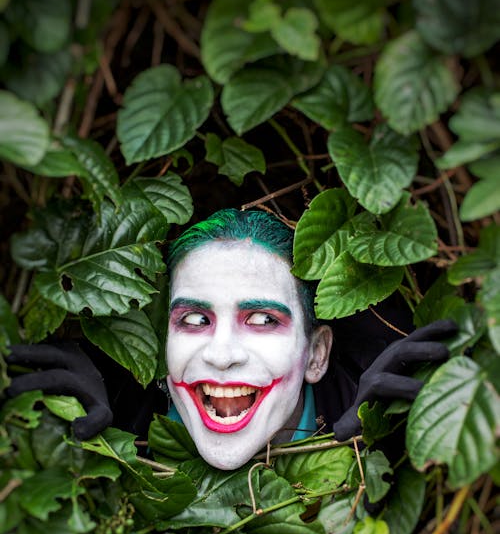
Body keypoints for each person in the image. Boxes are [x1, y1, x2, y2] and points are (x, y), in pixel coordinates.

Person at [6, 208, 456, 470]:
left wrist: (392, 436)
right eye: (195, 320)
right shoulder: (120, 421)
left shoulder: (365, 414)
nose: (221, 355)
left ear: (316, 354)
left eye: (262, 320)